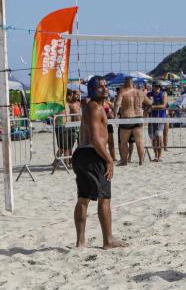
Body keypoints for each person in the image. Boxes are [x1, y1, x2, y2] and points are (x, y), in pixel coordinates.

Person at [73, 78, 127, 250]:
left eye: (105, 85)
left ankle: (80, 241)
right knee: (104, 198)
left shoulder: (94, 107)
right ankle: (108, 241)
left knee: (83, 198)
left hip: (82, 154)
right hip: (92, 154)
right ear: (92, 90)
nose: (104, 88)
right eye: (100, 87)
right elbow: (96, 139)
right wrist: (109, 159)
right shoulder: (94, 107)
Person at [113, 77, 149, 166]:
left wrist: (115, 116)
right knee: (139, 141)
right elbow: (150, 103)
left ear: (125, 82)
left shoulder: (122, 92)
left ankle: (124, 161)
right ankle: (141, 161)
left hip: (126, 118)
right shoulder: (140, 92)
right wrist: (145, 112)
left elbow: (117, 104)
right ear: (133, 83)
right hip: (138, 117)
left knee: (123, 142)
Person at [53, 89, 81, 171]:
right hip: (61, 126)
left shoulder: (68, 104)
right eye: (71, 95)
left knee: (65, 146)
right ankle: (66, 163)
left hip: (68, 126)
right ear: (67, 95)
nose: (72, 97)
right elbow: (55, 114)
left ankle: (57, 162)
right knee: (65, 147)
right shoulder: (61, 104)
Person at [147, 82, 168, 162]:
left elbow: (164, 105)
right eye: (156, 86)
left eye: (159, 86)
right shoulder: (149, 94)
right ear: (152, 87)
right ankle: (155, 156)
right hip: (151, 118)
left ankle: (159, 156)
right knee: (153, 138)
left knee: (159, 137)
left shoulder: (163, 94)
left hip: (161, 118)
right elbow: (145, 105)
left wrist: (152, 107)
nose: (157, 88)